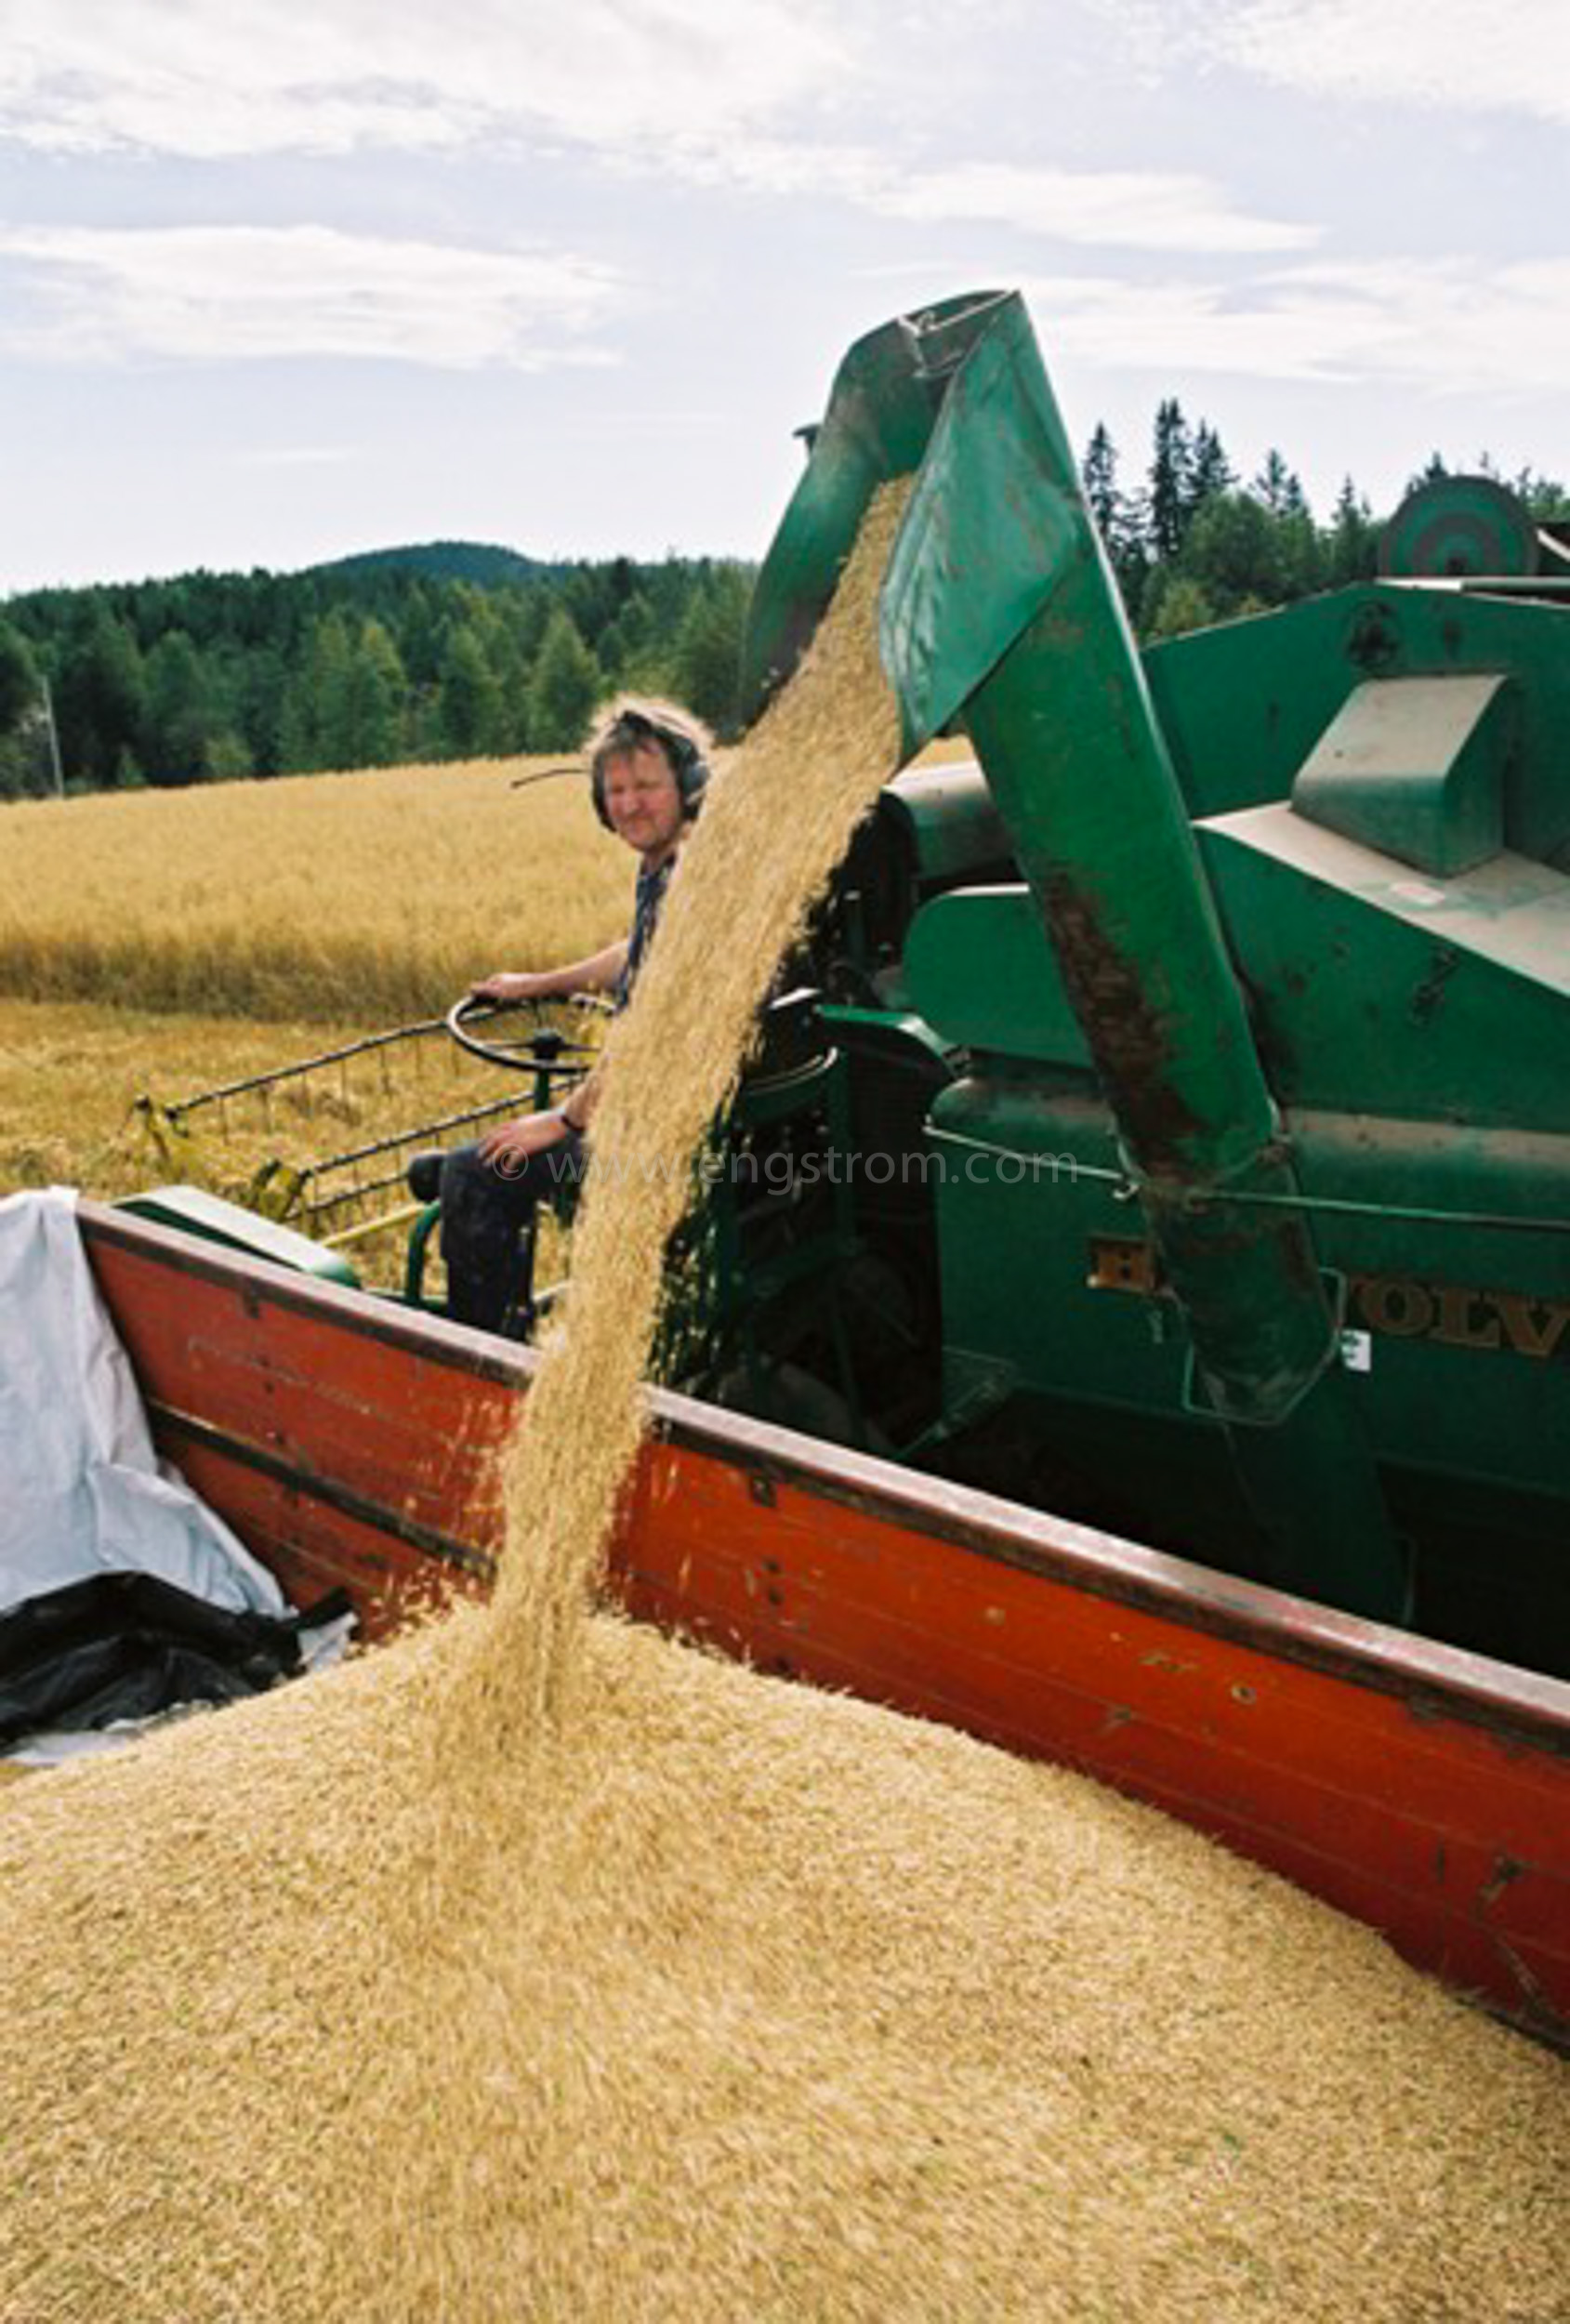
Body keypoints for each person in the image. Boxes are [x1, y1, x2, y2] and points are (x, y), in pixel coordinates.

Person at [436, 697, 712, 1334]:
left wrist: (562, 1120)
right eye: (615, 789)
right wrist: (538, 982)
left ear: (688, 787)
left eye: (646, 786)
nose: (629, 804)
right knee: (463, 1164)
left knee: (474, 1173)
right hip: (685, 1116)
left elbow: (654, 1029)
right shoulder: (680, 865)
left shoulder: (684, 877)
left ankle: (485, 1363)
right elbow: (636, 954)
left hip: (660, 1147)